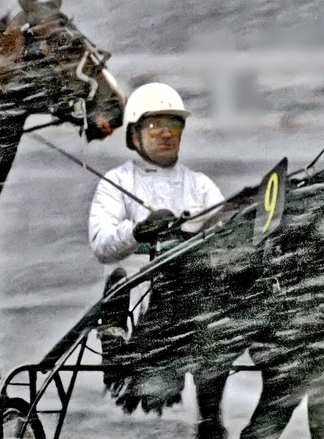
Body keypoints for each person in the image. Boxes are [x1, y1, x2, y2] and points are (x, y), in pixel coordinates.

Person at [87, 82, 223, 411]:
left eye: (174, 124)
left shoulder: (200, 185)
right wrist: (138, 230)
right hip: (138, 293)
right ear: (134, 136)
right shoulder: (116, 183)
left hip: (194, 296)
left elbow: (225, 230)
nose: (166, 133)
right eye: (154, 125)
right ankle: (120, 345)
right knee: (121, 276)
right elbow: (102, 245)